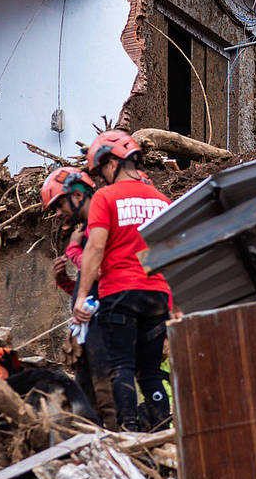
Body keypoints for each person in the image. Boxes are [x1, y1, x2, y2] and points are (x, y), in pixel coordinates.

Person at [72, 130, 174, 431]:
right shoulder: (161, 200)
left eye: (100, 171)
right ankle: (163, 427)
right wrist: (175, 301)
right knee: (152, 371)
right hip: (157, 295)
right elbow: (172, 252)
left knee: (122, 367)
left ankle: (128, 431)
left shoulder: (105, 197)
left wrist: (81, 297)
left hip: (120, 293)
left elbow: (95, 247)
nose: (100, 179)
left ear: (110, 163)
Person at [43, 165, 114, 423]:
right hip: (89, 327)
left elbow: (101, 272)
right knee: (86, 395)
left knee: (105, 390)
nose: (59, 214)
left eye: (60, 205)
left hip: (104, 324)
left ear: (77, 195)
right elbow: (91, 287)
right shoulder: (84, 228)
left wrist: (73, 251)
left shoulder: (97, 227)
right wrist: (65, 283)